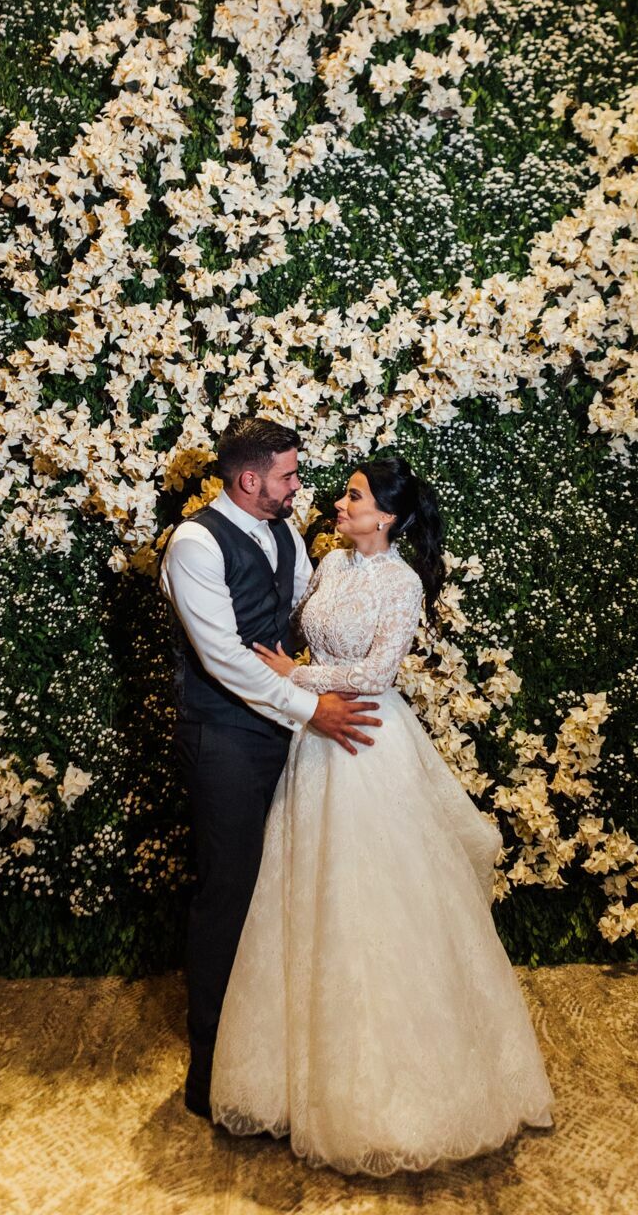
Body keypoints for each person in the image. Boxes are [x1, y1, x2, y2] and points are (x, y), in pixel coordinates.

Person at [208, 452, 557, 1175]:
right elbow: (302, 628)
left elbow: (378, 671)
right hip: (316, 741)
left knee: (381, 902)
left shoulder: (401, 582)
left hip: (369, 739)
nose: (339, 504)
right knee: (311, 895)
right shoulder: (330, 564)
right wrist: (294, 681)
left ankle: (401, 1095)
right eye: (344, 494)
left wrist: (296, 674)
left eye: (355, 497)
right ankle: (302, 1082)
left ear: (387, 517)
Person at [158, 417, 384, 1121]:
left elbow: (295, 622)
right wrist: (312, 708)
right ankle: (210, 1072)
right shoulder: (195, 543)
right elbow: (223, 657)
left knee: (283, 889)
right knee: (228, 893)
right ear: (249, 479)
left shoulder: (283, 535)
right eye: (287, 475)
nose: (297, 487)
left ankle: (269, 1061)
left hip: (287, 732)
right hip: (223, 736)